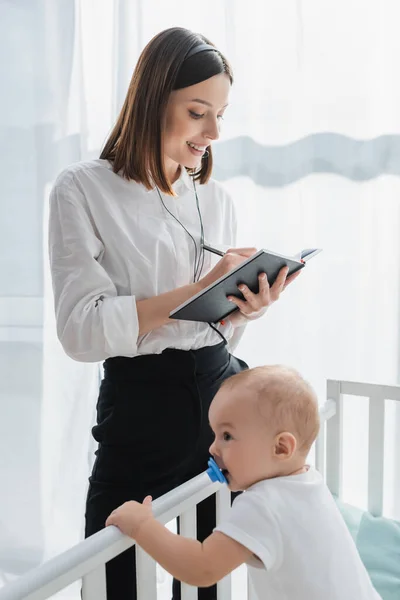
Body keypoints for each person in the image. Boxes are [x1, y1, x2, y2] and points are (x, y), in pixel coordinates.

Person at [48, 27, 300, 600]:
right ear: (153, 98)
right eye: (197, 112)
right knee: (111, 575)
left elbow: (208, 320)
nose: (213, 133)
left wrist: (244, 305)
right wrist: (199, 288)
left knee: (206, 581)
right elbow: (81, 329)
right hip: (140, 406)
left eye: (220, 115)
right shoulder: (83, 190)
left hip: (220, 404)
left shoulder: (216, 197)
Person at [106, 365, 381, 600]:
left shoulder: (262, 504)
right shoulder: (309, 483)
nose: (212, 448)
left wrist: (143, 526)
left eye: (227, 436)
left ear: (281, 448)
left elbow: (202, 567)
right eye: (214, 435)